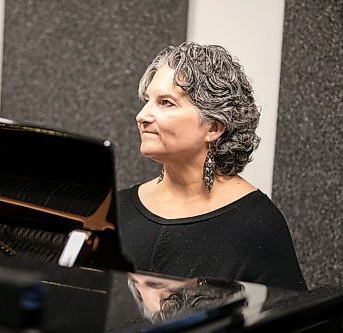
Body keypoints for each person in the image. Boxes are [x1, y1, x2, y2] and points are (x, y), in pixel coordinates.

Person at [118, 42, 307, 291]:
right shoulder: (119, 209)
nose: (142, 115)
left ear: (214, 127)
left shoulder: (256, 224)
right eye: (147, 100)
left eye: (166, 102)